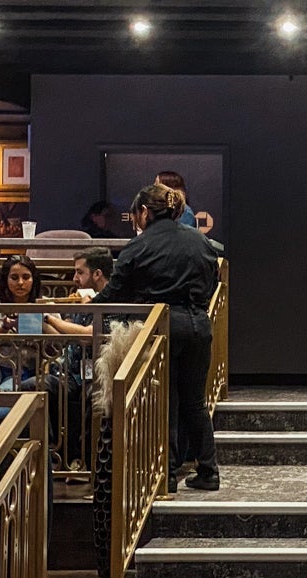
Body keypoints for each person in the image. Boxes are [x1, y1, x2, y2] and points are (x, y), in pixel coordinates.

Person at [90, 183, 221, 491]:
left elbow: (114, 291)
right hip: (199, 324)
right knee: (195, 401)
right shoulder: (200, 241)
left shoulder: (139, 246)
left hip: (160, 326)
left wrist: (87, 307)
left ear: (145, 212)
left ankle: (167, 473)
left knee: (167, 400)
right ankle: (209, 470)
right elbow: (212, 280)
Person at [45, 247, 111, 336]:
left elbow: (90, 334)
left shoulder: (112, 299)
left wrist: (48, 318)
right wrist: (42, 321)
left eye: (80, 273)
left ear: (97, 274)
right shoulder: (81, 296)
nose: (74, 279)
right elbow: (65, 335)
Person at [155, 171, 215, 235]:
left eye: (156, 185)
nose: (153, 188)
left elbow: (181, 240)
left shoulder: (185, 214)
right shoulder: (164, 210)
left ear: (168, 188)